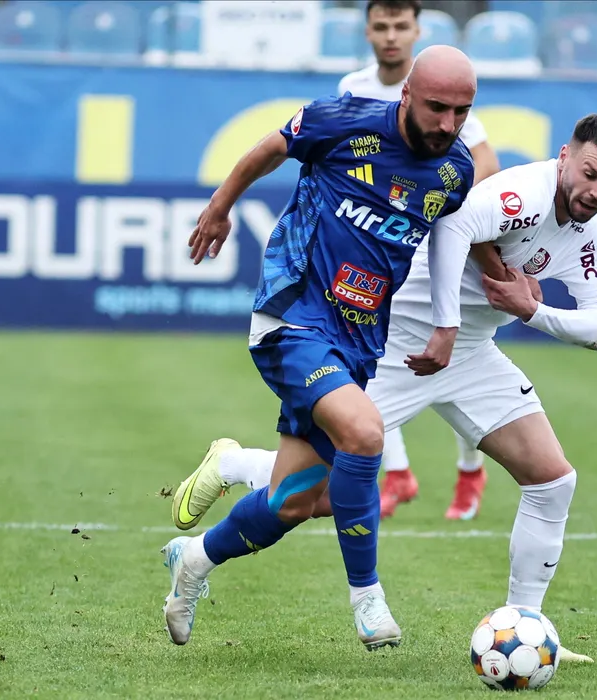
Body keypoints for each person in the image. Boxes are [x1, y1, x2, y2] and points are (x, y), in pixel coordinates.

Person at [171, 114, 597, 659]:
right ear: (564, 157)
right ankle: (232, 468)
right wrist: (446, 324)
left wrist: (531, 310)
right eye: (590, 174)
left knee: (553, 480)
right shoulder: (521, 193)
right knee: (308, 498)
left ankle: (525, 629)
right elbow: (451, 225)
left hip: (472, 356)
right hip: (400, 350)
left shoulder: (590, 232)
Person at [161, 45, 478, 652]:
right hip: (292, 316)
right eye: (437, 107)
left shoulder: (454, 171)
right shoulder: (344, 119)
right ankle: (367, 598)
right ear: (407, 95)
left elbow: (453, 232)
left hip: (358, 343)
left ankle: (194, 557)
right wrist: (220, 207)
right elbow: (271, 148)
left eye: (461, 112)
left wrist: (449, 321)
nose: (448, 124)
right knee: (365, 434)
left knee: (297, 503)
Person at [340, 0, 502, 522]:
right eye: (381, 26)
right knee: (371, 359)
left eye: (400, 26)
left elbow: (486, 164)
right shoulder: (353, 88)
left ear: (416, 31)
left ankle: (469, 468)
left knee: (457, 357)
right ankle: (398, 473)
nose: (391, 36)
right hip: (377, 246)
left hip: (436, 248)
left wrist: (440, 206)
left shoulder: (441, 91)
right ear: (367, 31)